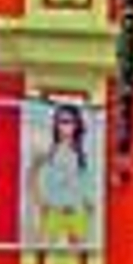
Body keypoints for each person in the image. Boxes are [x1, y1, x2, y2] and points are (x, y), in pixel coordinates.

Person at [28, 104, 96, 247]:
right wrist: (39, 200)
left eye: (69, 122)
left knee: (81, 256)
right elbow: (32, 173)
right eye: (61, 121)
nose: (65, 126)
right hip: (53, 210)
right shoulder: (49, 149)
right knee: (43, 250)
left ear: (77, 125)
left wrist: (89, 202)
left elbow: (84, 181)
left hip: (76, 210)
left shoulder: (81, 153)